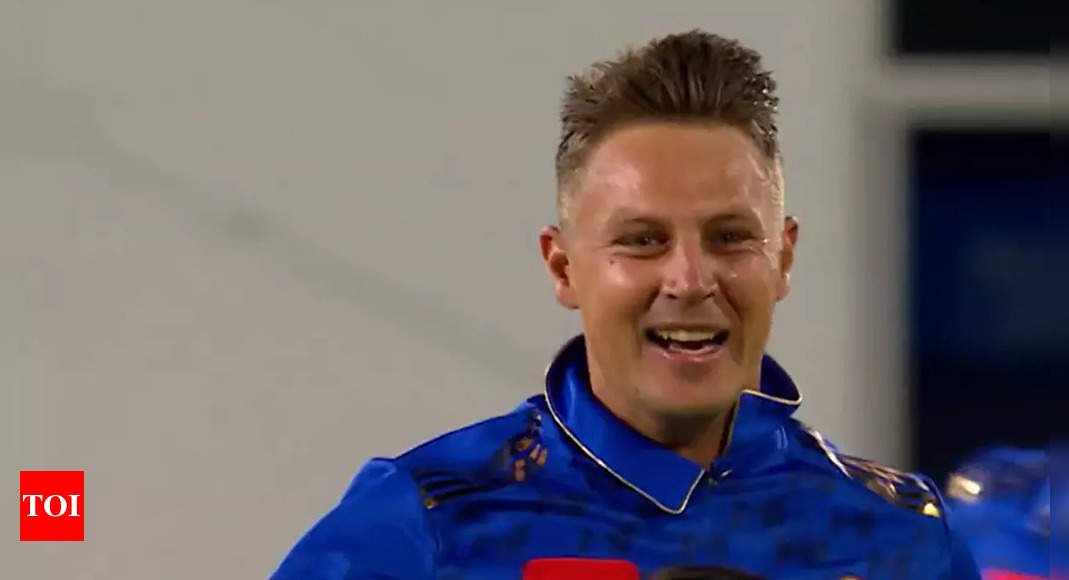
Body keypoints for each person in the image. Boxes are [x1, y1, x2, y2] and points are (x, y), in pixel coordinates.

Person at [271, 30, 981, 579]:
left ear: (783, 259)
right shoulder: (429, 521)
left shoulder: (902, 536)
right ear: (562, 268)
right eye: (642, 240)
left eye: (729, 237)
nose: (690, 278)